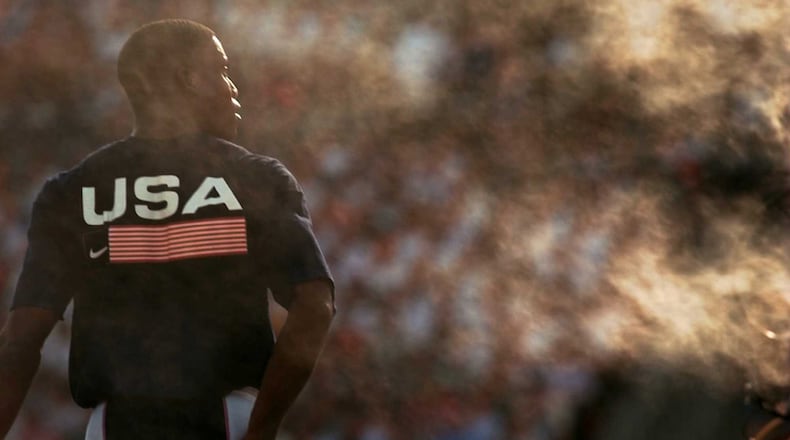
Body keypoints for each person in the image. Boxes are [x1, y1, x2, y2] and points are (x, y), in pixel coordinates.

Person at [0, 19, 335, 440]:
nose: (232, 87)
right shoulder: (255, 179)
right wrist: (262, 428)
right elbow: (314, 307)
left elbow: (21, 341)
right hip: (229, 420)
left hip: (112, 427)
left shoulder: (72, 191)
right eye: (222, 69)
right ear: (188, 79)